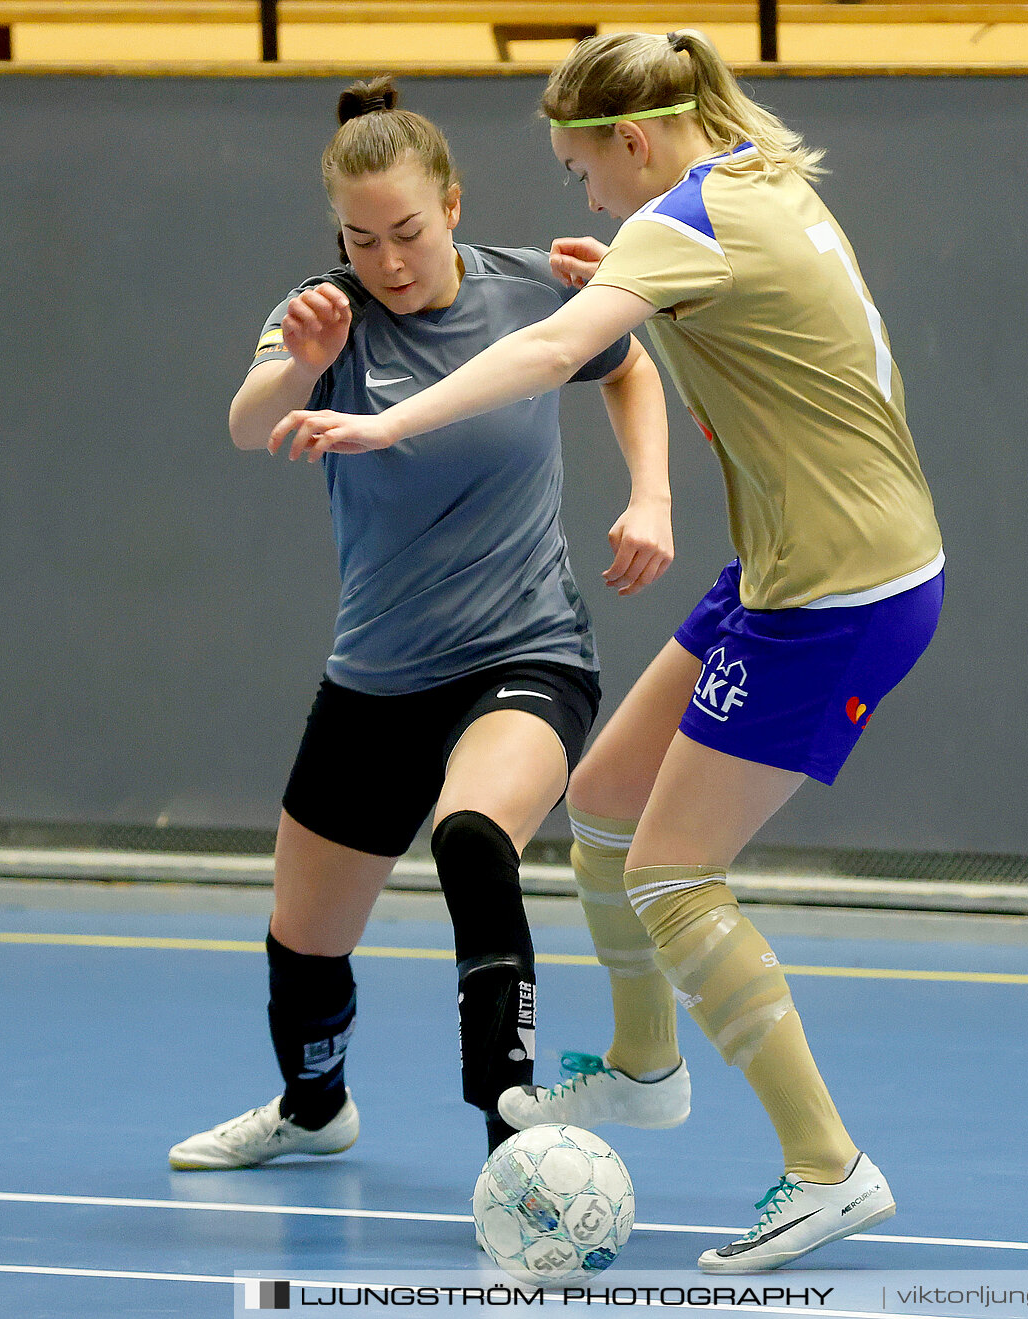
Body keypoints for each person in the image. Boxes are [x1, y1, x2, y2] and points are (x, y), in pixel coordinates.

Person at [271, 34, 943, 1273]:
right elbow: (731, 349)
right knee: (608, 802)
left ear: (634, 142)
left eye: (584, 168)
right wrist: (629, 283)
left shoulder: (683, 221)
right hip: (789, 567)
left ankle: (827, 1166)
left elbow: (541, 354)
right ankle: (644, 1068)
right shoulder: (758, 181)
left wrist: (386, 423)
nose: (583, 195)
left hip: (840, 596)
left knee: (676, 873)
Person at [167, 75, 673, 1171]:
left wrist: (651, 496)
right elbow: (251, 426)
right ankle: (314, 1109)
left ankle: (513, 1132)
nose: (387, 261)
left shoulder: (535, 292)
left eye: (406, 231)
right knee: (305, 941)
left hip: (525, 651)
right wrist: (299, 362)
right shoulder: (322, 312)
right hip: (379, 674)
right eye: (360, 239)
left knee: (475, 838)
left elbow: (628, 365)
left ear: (452, 204)